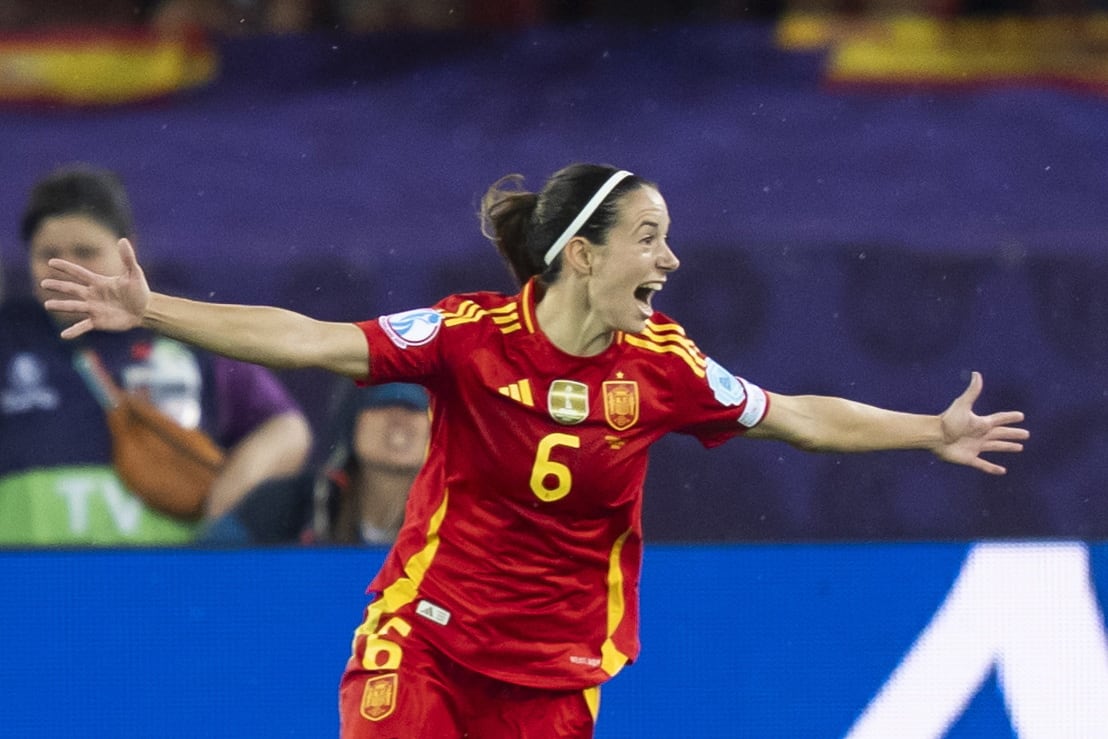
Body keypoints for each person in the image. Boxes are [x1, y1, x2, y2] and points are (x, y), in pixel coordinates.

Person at [40, 162, 1028, 736]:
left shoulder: (666, 368)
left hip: (551, 679)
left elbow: (798, 415)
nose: (671, 261)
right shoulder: (465, 337)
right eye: (649, 237)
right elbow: (310, 337)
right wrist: (152, 307)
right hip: (421, 641)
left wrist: (929, 431)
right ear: (582, 256)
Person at [0, 164, 312, 545]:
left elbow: (286, 430)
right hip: (24, 587)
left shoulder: (184, 332)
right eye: (48, 254)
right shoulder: (7, 337)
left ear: (127, 248)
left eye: (85, 252)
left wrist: (225, 504)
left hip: (167, 587)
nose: (68, 269)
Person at [197, 380, 430, 546]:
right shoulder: (286, 504)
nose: (399, 420)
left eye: (414, 408)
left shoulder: (458, 518)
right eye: (382, 405)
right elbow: (212, 570)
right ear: (350, 425)